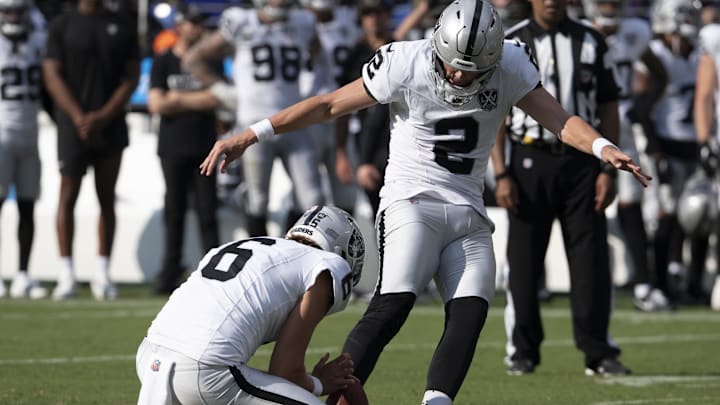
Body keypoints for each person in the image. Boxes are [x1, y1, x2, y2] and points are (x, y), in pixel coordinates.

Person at [200, 1, 650, 402]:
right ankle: (334, 400)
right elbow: (330, 105)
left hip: (469, 210)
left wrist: (601, 147)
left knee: (471, 310)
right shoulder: (405, 60)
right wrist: (251, 133)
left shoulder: (511, 61)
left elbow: (559, 118)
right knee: (393, 303)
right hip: (410, 200)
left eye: (471, 70)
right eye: (453, 64)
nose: (458, 75)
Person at [492, 0, 632, 376]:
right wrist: (501, 173)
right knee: (522, 262)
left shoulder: (591, 41)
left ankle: (599, 351)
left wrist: (608, 168)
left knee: (591, 262)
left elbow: (608, 104)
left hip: (583, 163)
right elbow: (496, 111)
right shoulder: (511, 42)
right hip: (528, 159)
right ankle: (521, 351)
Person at [136, 205, 365, 405]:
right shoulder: (326, 265)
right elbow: (285, 370)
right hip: (205, 371)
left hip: (149, 359)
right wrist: (318, 384)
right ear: (340, 251)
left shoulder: (245, 244)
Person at [184, 0, 326, 237]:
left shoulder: (303, 22)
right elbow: (193, 59)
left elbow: (322, 60)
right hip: (254, 123)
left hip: (293, 121)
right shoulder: (242, 21)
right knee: (257, 198)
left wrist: (312, 91)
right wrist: (222, 90)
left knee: (312, 198)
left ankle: (295, 254)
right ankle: (258, 260)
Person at [42, 0, 139, 300]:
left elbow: (131, 76)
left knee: (106, 197)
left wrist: (102, 116)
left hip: (109, 124)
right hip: (72, 125)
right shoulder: (62, 24)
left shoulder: (122, 24)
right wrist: (78, 117)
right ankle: (66, 273)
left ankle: (102, 272)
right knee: (67, 195)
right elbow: (51, 73)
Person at [585, 0, 672, 311]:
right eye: (605, 2)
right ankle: (589, 284)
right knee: (584, 202)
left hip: (621, 129)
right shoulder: (580, 34)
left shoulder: (634, 32)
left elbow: (660, 75)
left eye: (615, 2)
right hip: (586, 128)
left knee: (631, 206)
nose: (611, 8)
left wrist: (643, 106)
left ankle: (643, 285)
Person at [147, 4, 221, 295]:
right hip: (173, 147)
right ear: (179, 26)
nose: (197, 28)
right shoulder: (163, 61)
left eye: (200, 23)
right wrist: (196, 98)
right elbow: (155, 104)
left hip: (205, 147)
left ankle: (216, 274)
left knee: (208, 212)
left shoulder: (208, 61)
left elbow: (219, 98)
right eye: (192, 23)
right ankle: (169, 272)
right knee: (174, 211)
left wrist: (178, 98)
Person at [640, 0, 703, 303]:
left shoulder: (702, 53)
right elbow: (640, 109)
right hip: (665, 143)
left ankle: (694, 285)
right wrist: (654, 151)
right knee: (665, 216)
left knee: (702, 216)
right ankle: (660, 284)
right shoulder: (655, 55)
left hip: (696, 145)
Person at [0, 0, 47, 299]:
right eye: (9, 10)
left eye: (19, 10)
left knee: (27, 206)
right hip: (2, 132)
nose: (15, 16)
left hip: (31, 133)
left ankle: (23, 274)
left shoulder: (39, 40)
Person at [300, 0, 360, 215]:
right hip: (315, 113)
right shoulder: (348, 24)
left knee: (344, 190)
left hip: (339, 112)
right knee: (307, 193)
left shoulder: (348, 24)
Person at [335, 0, 394, 216]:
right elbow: (341, 106)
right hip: (366, 141)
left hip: (397, 137)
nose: (373, 19)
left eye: (378, 12)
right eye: (367, 13)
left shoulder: (401, 51)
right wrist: (341, 152)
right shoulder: (355, 56)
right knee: (377, 209)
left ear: (387, 15)